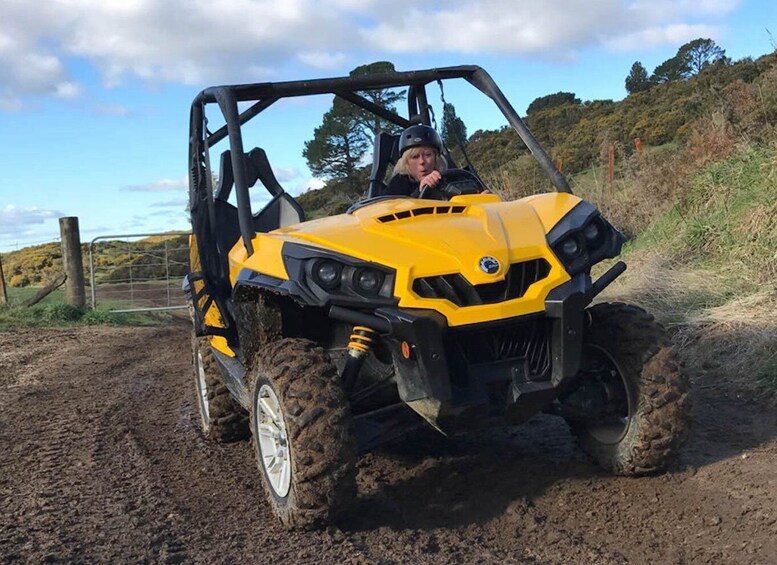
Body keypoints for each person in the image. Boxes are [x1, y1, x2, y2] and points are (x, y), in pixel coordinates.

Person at [381, 124, 448, 198]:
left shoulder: (448, 179)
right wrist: (419, 192)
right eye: (415, 157)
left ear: (436, 158)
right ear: (406, 162)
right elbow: (389, 207)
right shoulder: (397, 186)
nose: (422, 161)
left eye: (427, 155)